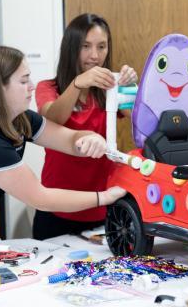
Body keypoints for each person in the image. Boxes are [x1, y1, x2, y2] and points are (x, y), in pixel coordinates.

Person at [0, 45, 127, 252]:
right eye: (23, 81)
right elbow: (40, 198)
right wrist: (104, 197)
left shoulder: (21, 120)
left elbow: (69, 140)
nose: (31, 86)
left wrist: (89, 138)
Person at [33, 13, 137, 240]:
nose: (95, 55)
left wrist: (132, 88)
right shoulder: (48, 87)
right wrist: (77, 84)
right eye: (86, 46)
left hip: (103, 206)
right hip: (56, 207)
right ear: (72, 48)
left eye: (102, 47)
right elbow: (53, 119)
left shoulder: (109, 91)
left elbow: (142, 121)